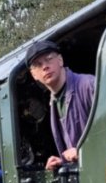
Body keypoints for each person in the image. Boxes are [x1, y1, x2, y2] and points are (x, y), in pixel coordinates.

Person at [25, 39, 96, 170]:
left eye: (49, 59)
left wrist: (82, 152)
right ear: (34, 74)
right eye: (38, 64)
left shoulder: (89, 85)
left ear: (60, 60)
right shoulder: (53, 103)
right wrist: (62, 162)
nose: (45, 67)